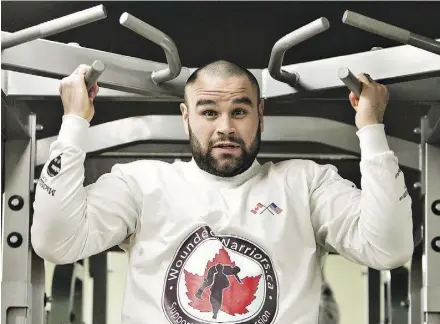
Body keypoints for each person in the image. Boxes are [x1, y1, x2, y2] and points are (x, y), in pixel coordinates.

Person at [32, 60, 413, 324]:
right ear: (187, 116)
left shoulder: (307, 183)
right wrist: (73, 124)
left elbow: (388, 248)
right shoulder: (141, 185)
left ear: (260, 114)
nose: (226, 127)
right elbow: (56, 242)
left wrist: (370, 129)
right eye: (210, 112)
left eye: (240, 112)